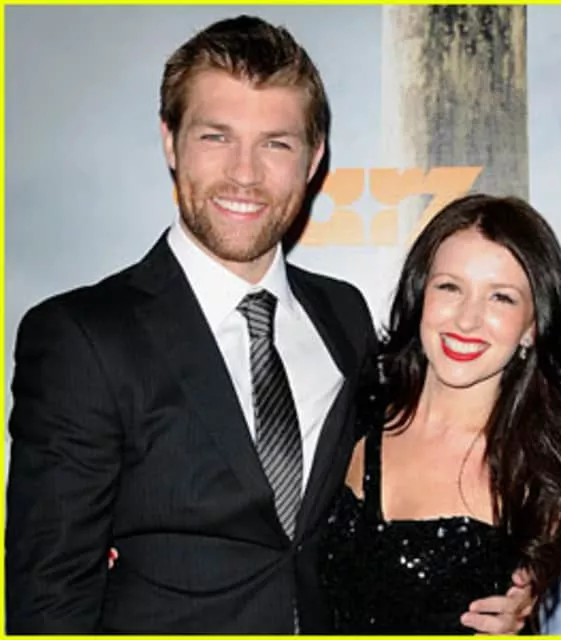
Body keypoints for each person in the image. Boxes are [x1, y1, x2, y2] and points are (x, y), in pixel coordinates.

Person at [6, 16, 529, 634]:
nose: (245, 174)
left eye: (276, 143)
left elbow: (416, 484)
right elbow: (48, 597)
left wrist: (512, 577)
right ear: (170, 141)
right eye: (216, 137)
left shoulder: (345, 317)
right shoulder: (82, 337)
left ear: (314, 159)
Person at [319, 193, 561, 634]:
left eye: (501, 298)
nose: (467, 320)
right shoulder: (346, 414)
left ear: (532, 327)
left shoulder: (550, 468)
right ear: (420, 293)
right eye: (449, 287)